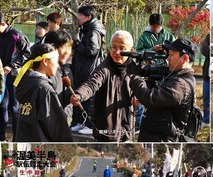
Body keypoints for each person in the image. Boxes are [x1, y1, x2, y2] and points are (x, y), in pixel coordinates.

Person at [72, 31, 137, 142]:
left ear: (131, 51)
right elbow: (91, 84)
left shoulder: (135, 70)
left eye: (122, 48)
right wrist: (79, 94)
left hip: (127, 131)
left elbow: (145, 90)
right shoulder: (103, 68)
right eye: (113, 47)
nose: (117, 52)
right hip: (105, 133)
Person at [128, 39, 197, 142]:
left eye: (171, 55)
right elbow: (159, 100)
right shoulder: (175, 77)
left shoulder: (181, 85)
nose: (168, 59)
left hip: (161, 139)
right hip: (155, 135)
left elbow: (150, 98)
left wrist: (135, 76)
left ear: (184, 58)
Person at [13, 43, 72, 141]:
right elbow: (56, 125)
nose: (57, 65)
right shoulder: (44, 89)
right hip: (40, 147)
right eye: (56, 61)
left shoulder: (25, 81)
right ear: (45, 61)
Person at [72, 5, 106, 136]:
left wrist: (77, 44)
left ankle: (90, 125)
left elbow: (92, 50)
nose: (78, 18)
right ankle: (81, 122)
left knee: (89, 97)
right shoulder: (87, 29)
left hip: (89, 68)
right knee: (81, 96)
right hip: (83, 67)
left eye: (80, 15)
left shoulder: (93, 31)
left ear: (87, 17)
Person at [0, 11, 31, 141]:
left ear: (2, 23)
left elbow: (27, 54)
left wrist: (12, 65)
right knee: (1, 106)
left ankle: (17, 138)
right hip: (1, 76)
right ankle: (1, 136)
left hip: (14, 76)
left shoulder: (17, 36)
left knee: (14, 107)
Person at [200, 34, 210, 127]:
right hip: (207, 74)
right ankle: (206, 120)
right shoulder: (208, 37)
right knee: (206, 97)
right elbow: (203, 49)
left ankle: (208, 119)